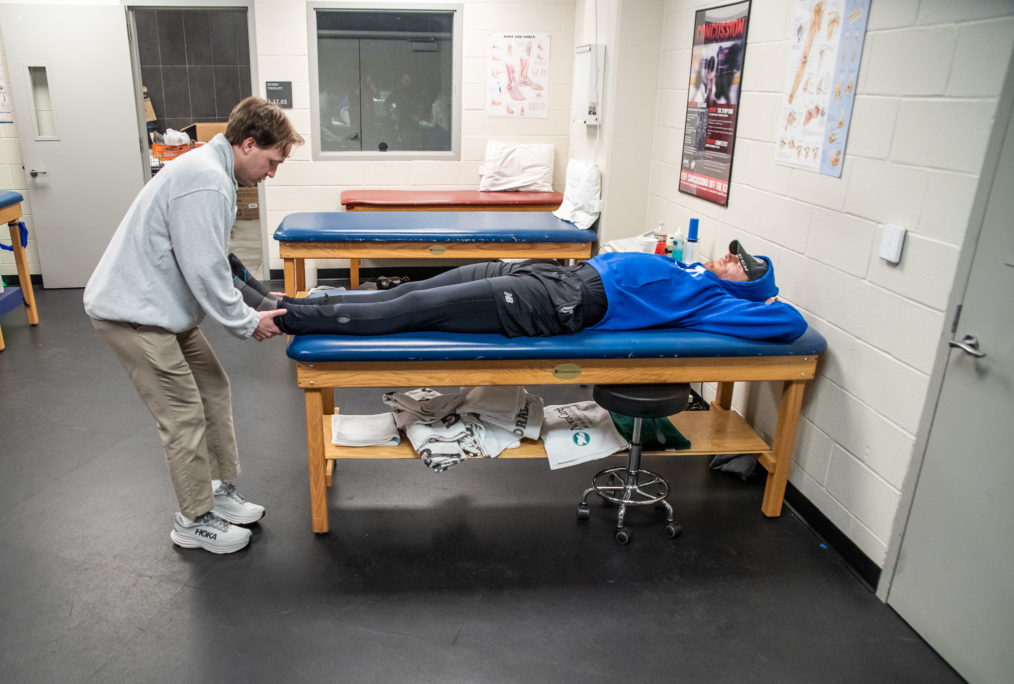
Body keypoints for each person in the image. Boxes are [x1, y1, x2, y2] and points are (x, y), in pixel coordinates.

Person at [84, 97, 302, 555]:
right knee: (183, 413)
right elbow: (204, 270)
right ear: (247, 144)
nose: (271, 173)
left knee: (212, 388)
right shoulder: (205, 179)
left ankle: (217, 492)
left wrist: (264, 298)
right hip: (134, 314)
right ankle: (193, 518)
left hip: (166, 310)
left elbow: (222, 260)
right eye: (271, 161)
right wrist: (247, 321)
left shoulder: (213, 171)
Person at [231, 241, 808, 342]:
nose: (731, 258)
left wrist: (769, 303)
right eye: (735, 254)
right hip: (548, 275)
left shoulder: (716, 302)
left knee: (411, 309)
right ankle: (275, 298)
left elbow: (789, 327)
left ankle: (285, 321)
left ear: (750, 288)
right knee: (410, 286)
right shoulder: (696, 275)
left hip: (558, 306)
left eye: (742, 265)